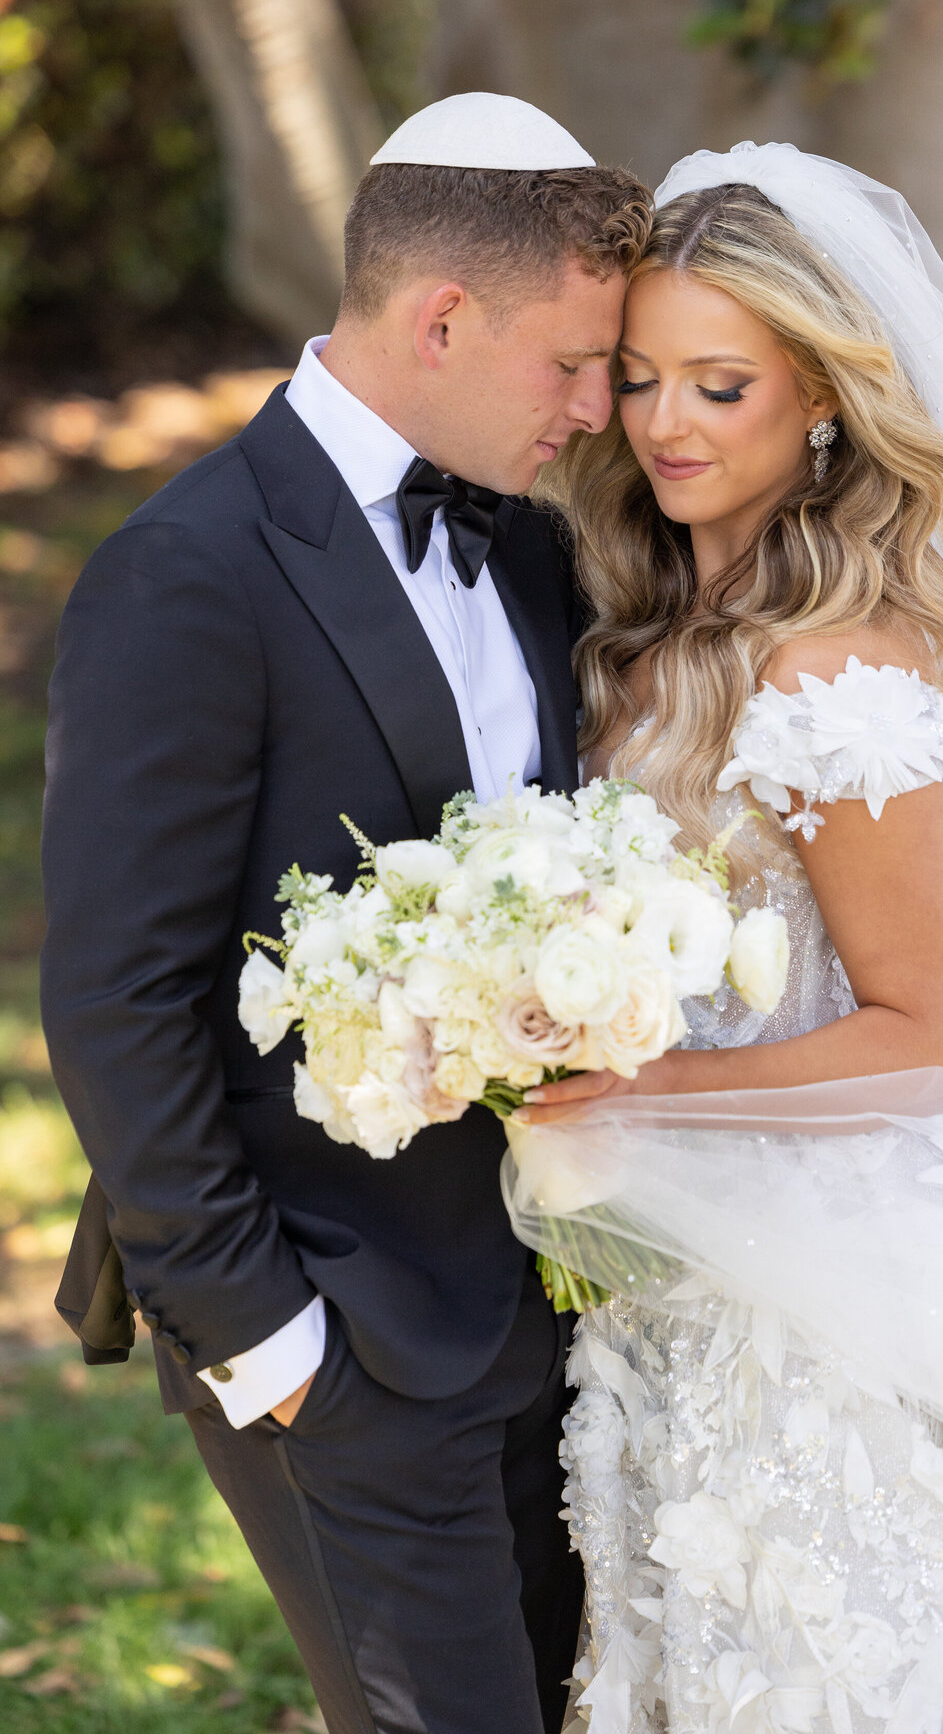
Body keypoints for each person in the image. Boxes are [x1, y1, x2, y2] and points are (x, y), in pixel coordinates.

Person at [510, 145, 943, 1733]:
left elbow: (925, 1040)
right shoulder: (642, 626)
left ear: (822, 403)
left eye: (720, 386)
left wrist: (637, 1091)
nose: (665, 424)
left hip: (831, 1291)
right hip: (679, 1263)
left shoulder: (831, 677)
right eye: (638, 379)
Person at [41, 93, 653, 1734]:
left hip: (548, 1309)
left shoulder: (523, 544)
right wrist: (277, 1350)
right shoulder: (189, 576)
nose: (600, 411)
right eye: (575, 365)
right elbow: (115, 1002)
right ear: (441, 317)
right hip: (343, 1338)